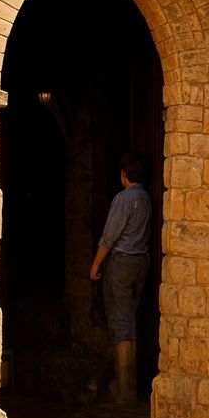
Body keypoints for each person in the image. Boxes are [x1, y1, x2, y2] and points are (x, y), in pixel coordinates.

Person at [90, 150, 152, 403]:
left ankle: (126, 390)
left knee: (122, 322)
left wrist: (95, 264)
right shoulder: (146, 198)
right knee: (130, 318)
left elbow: (109, 236)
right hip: (141, 262)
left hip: (123, 262)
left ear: (124, 174)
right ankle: (129, 386)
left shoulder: (124, 199)